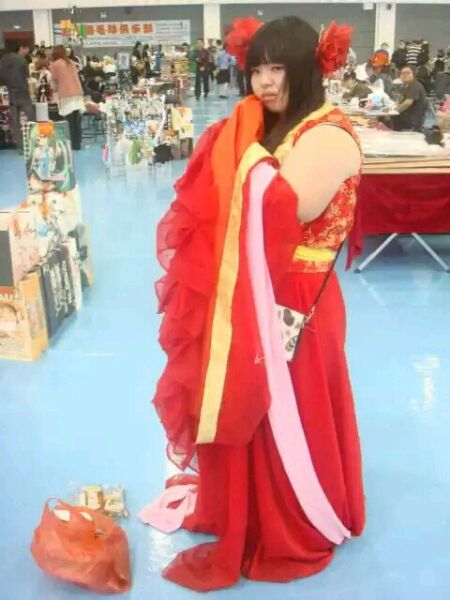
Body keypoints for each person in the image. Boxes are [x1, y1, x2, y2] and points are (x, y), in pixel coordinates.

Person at [144, 15, 365, 592]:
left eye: (278, 69)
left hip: (300, 300)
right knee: (252, 404)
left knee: (291, 409)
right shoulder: (280, 127)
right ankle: (257, 506)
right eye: (257, 69)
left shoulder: (326, 135)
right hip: (263, 289)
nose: (264, 82)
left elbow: (288, 210)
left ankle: (293, 518)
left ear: (307, 69)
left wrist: (237, 154)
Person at [0, 43, 35, 153]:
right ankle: (34, 144)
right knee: (32, 119)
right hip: (23, 93)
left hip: (11, 93)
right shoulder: (21, 60)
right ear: (20, 48)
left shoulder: (3, 60)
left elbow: (2, 76)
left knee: (15, 122)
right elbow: (27, 75)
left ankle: (21, 147)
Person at [50, 45, 84, 150]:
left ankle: (72, 143)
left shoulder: (54, 64)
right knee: (76, 119)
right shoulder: (71, 62)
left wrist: (54, 89)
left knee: (69, 120)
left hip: (66, 94)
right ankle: (77, 143)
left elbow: (54, 81)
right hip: (77, 92)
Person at [393, 66, 427, 131]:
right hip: (404, 121)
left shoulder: (415, 85)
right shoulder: (404, 86)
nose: (405, 75)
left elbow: (407, 103)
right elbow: (399, 101)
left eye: (408, 73)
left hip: (411, 124)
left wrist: (395, 111)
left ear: (413, 74)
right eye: (403, 73)